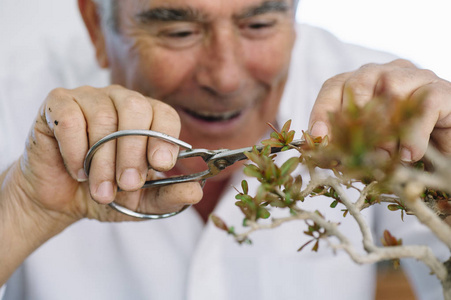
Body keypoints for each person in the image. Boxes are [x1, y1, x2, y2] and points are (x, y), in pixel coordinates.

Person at [1, 0, 450, 299]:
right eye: (179, 32)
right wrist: (21, 210)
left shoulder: (381, 108)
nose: (226, 77)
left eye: (258, 25)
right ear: (97, 26)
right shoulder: (15, 103)